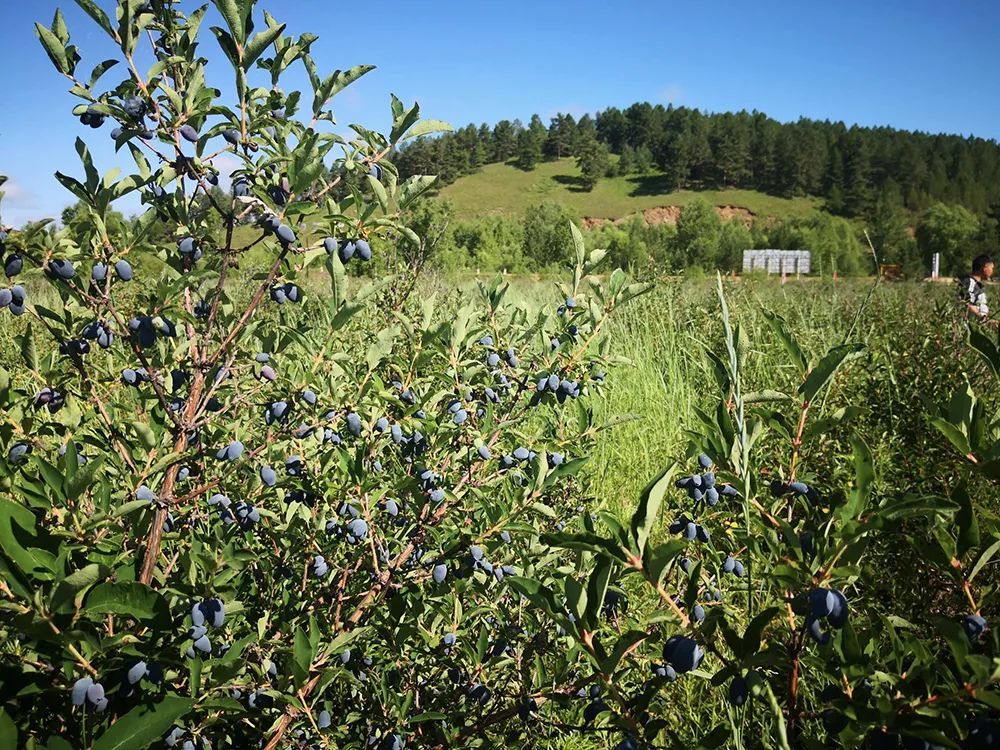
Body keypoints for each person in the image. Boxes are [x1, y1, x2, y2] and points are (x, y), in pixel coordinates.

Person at [957, 254, 995, 325]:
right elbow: (966, 304)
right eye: (992, 268)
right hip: (971, 326)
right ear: (985, 267)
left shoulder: (975, 284)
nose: (992, 271)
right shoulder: (969, 282)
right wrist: (986, 321)